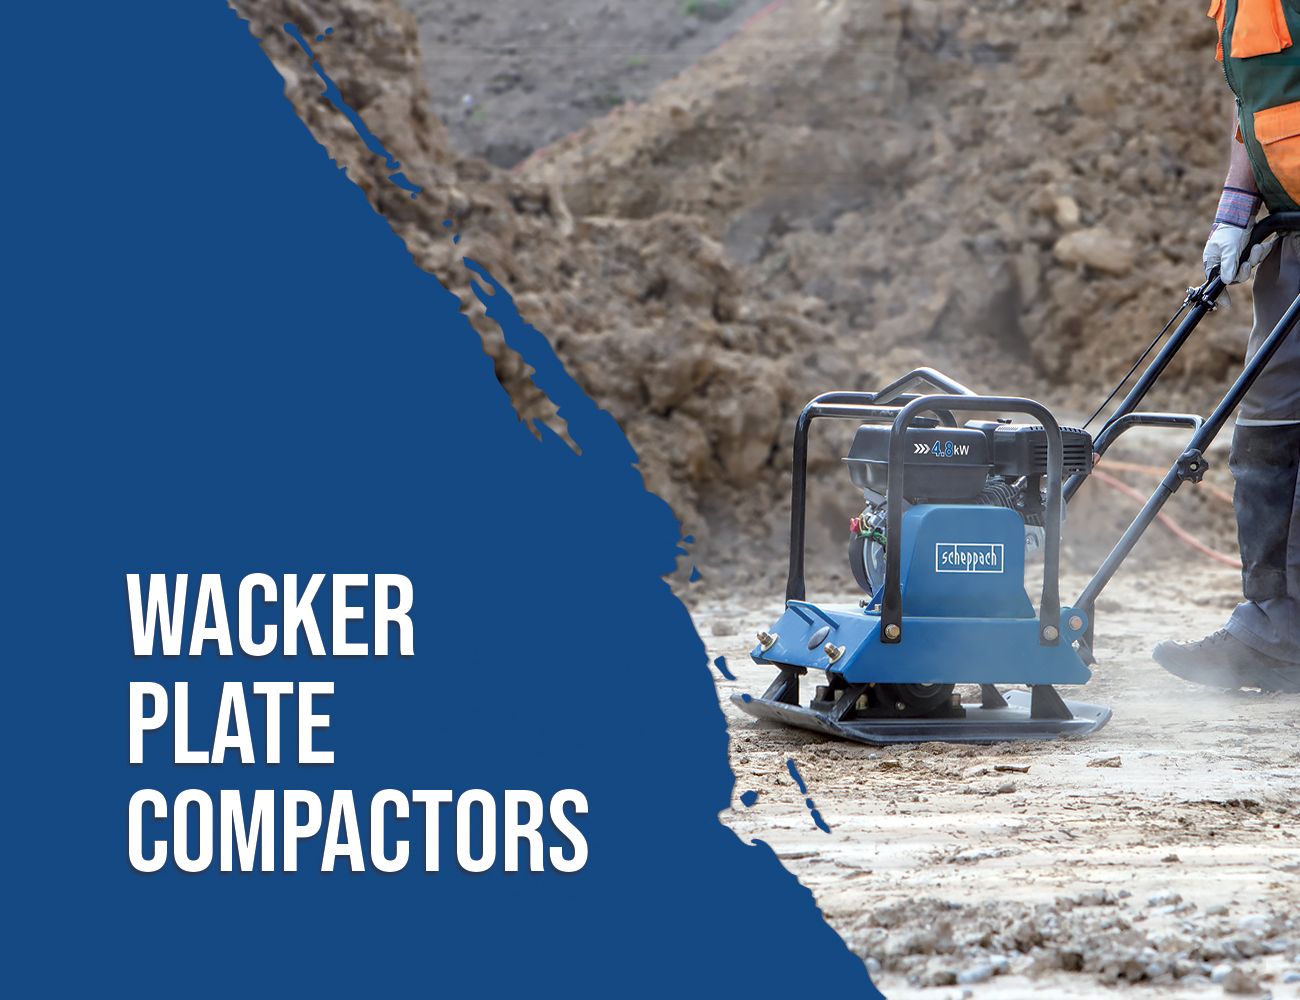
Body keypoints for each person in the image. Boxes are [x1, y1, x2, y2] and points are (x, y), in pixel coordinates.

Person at [1153, 0, 1300, 692]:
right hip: (1292, 237)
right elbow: (1253, 110)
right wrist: (1233, 213)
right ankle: (1270, 626)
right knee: (1267, 427)